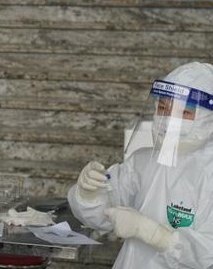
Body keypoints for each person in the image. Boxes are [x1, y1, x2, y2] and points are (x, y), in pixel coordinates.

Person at [68, 62, 213, 268]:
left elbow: (208, 253)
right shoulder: (143, 161)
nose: (168, 120)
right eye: (163, 108)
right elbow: (101, 218)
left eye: (184, 113)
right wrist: (89, 194)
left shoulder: (208, 174)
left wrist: (155, 235)